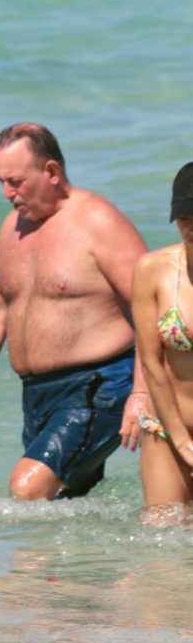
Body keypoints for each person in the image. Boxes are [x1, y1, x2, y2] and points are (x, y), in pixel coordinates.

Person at [0, 123, 151, 500]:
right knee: (61, 507)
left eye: (16, 182)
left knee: (26, 490)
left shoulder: (97, 221)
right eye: (1, 182)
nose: (7, 193)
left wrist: (141, 392)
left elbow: (150, 306)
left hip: (99, 385)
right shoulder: (12, 229)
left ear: (52, 172)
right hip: (37, 395)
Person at [131, 163, 193, 521]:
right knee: (161, 532)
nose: (190, 227)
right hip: (167, 427)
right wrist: (181, 438)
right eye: (183, 218)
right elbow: (151, 361)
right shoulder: (153, 270)